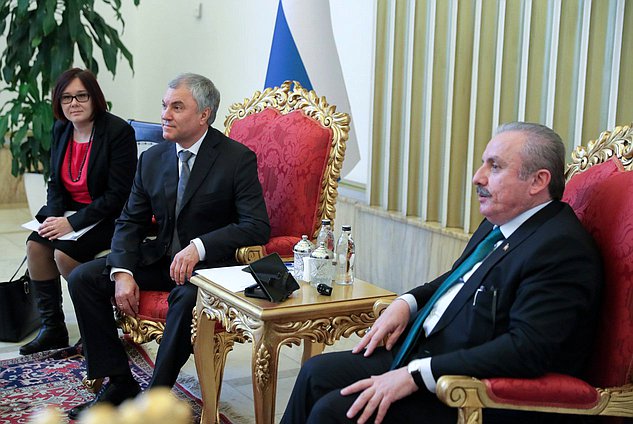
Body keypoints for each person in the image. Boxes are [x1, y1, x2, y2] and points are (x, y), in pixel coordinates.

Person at [281, 122, 603, 424]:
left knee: (336, 410)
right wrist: (406, 302)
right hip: (429, 352)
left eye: (495, 166)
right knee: (315, 373)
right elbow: (456, 279)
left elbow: (526, 350)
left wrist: (417, 374)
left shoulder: (560, 249)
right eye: (483, 164)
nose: (478, 177)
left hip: (475, 391)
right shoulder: (500, 222)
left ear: (538, 181)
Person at [66, 73, 271, 419]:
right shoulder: (152, 158)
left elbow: (256, 226)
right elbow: (130, 221)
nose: (165, 114)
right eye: (164, 105)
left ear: (204, 115)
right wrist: (122, 272)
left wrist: (199, 247)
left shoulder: (236, 159)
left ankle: (155, 400)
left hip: (208, 271)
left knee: (186, 299)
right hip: (161, 258)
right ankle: (119, 381)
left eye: (177, 107)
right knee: (83, 279)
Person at [21, 68, 137, 356]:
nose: (74, 104)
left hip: (108, 216)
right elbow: (55, 182)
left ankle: (96, 327)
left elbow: (118, 195)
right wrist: (54, 217)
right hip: (70, 214)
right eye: (66, 98)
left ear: (94, 97)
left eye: (81, 96)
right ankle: (53, 328)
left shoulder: (117, 132)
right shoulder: (62, 128)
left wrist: (71, 224)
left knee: (63, 253)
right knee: (36, 245)